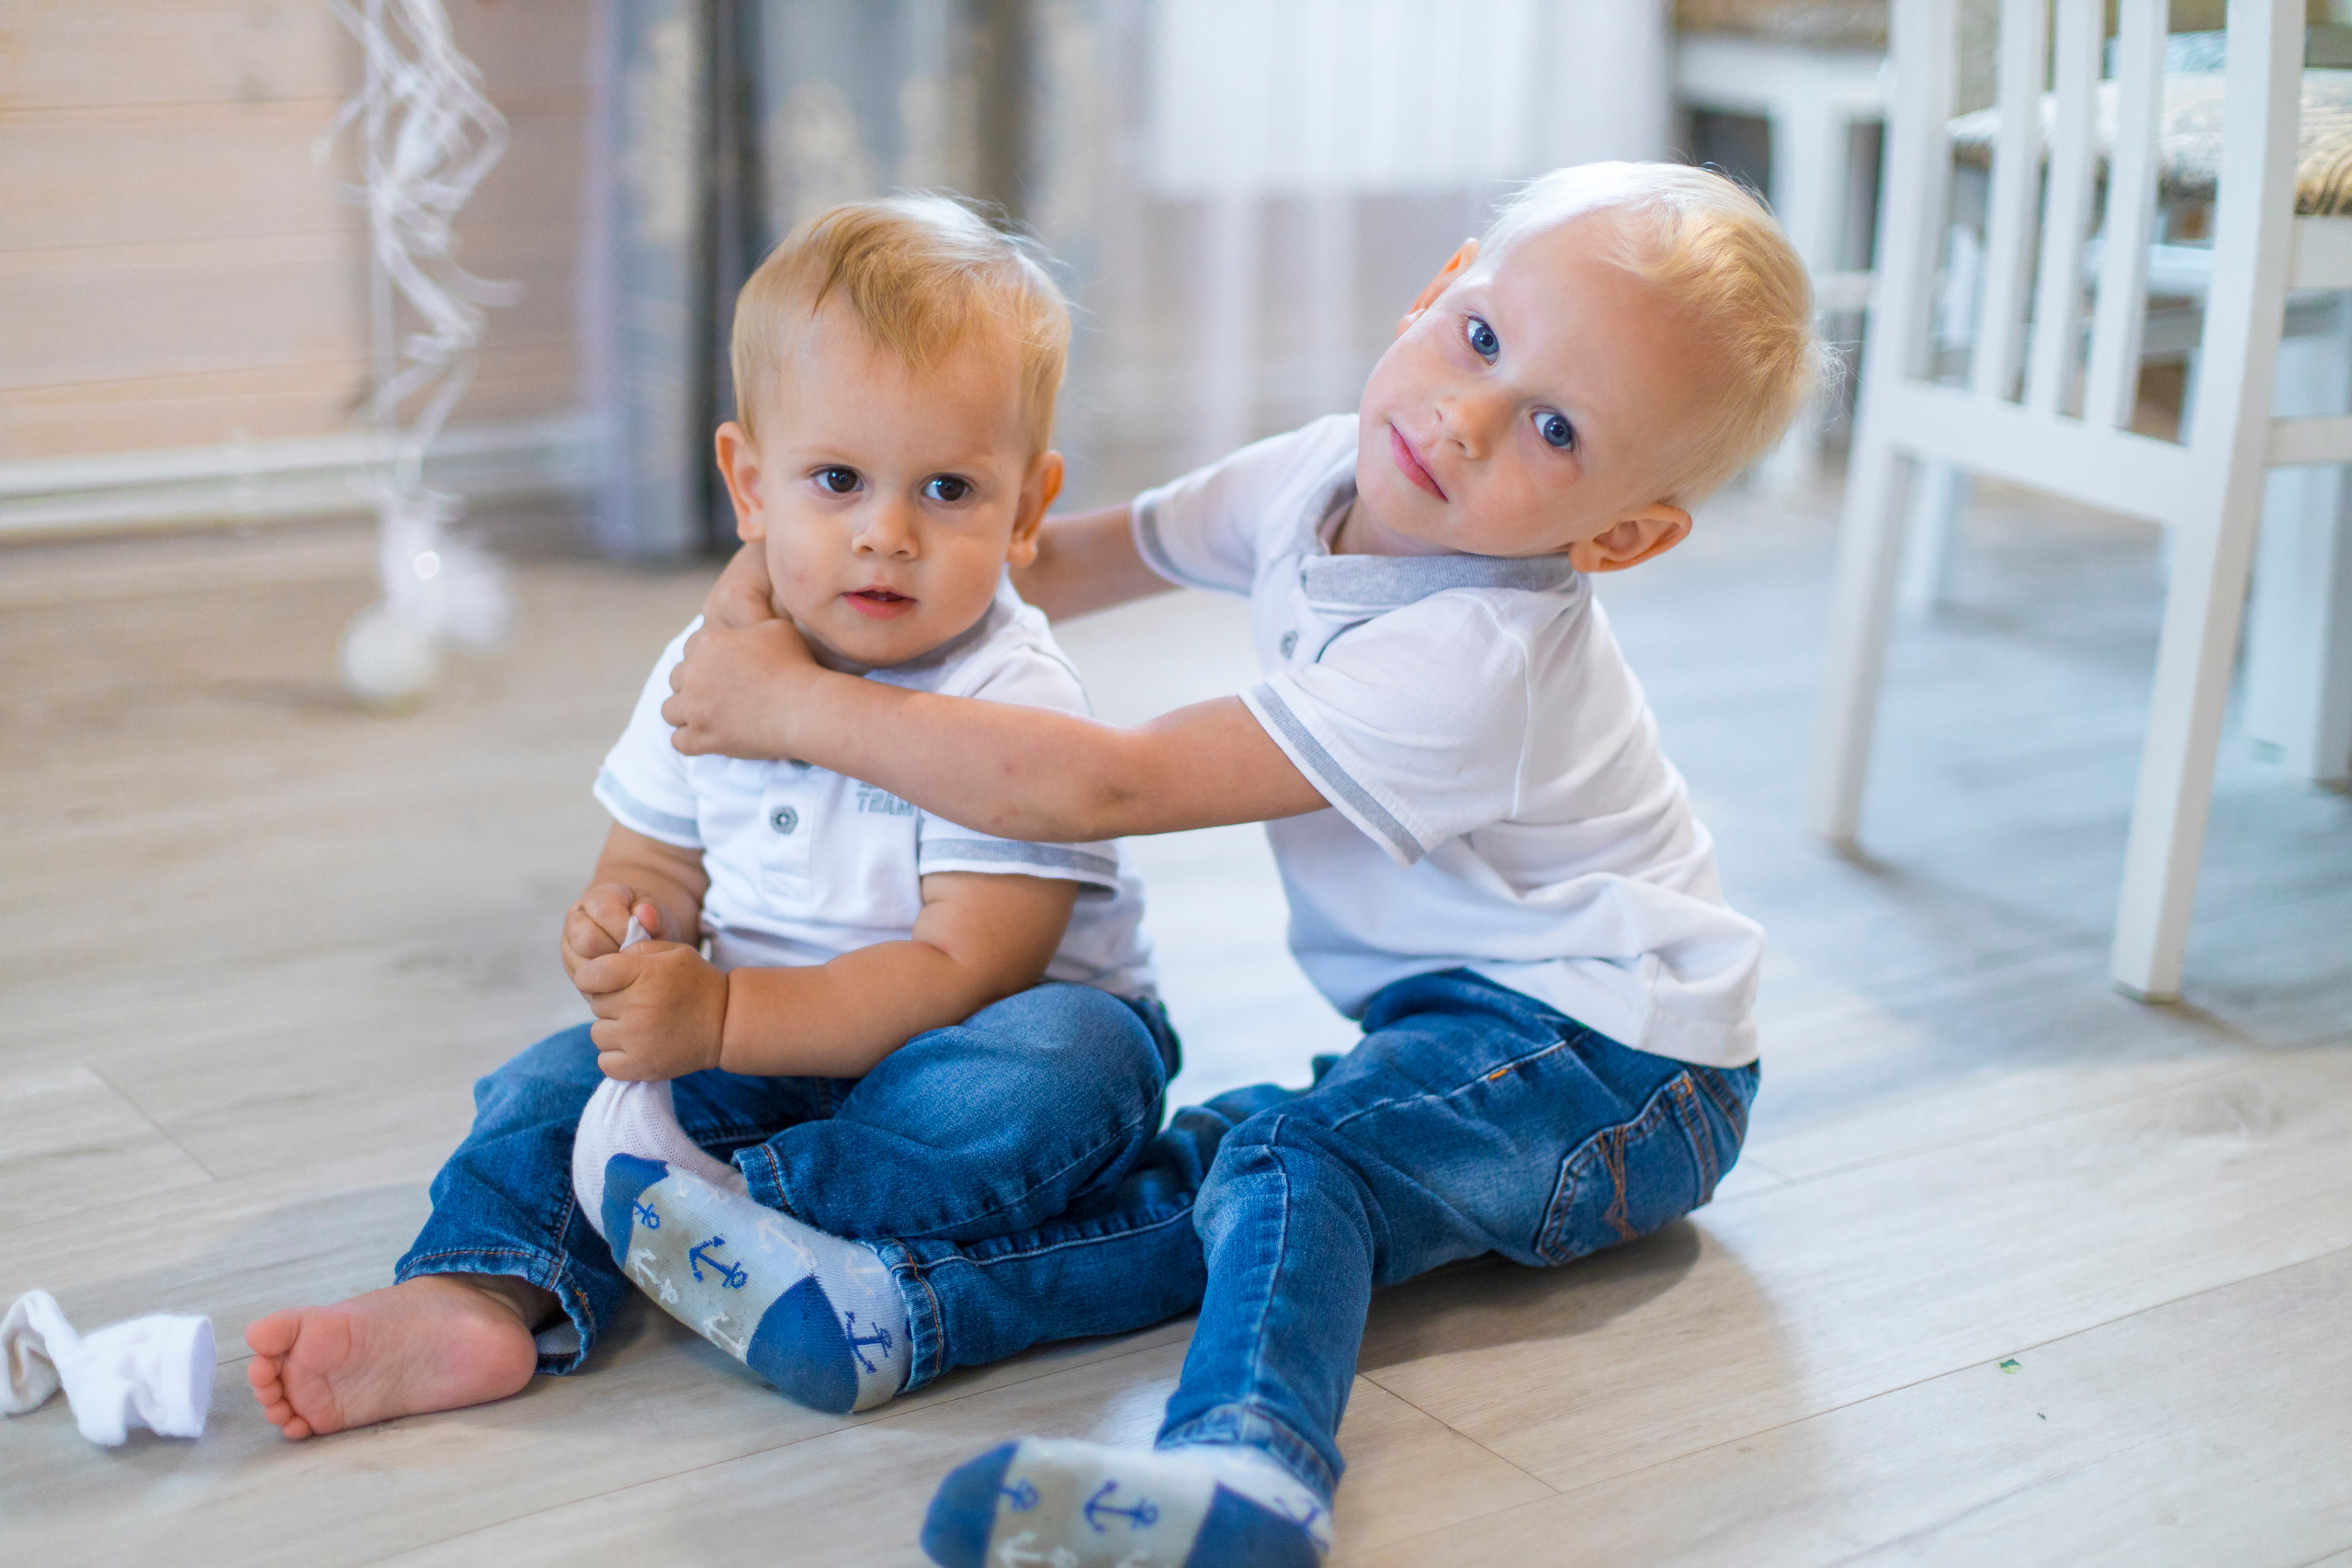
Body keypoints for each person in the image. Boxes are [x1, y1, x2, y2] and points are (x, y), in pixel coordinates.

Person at [662, 163, 1828, 1567]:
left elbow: (1108, 783)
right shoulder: (1321, 471)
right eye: (1480, 338)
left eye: (1556, 429)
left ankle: (1253, 1476)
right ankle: (897, 1314)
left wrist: (800, 707)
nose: (1464, 421)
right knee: (1221, 1171)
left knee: (1291, 1154)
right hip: (1464, 1024)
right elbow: (1051, 561)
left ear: (1622, 536)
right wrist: (820, 583)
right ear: (1436, 288)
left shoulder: (1478, 659)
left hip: (1626, 1065)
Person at [243, 196, 1167, 1438]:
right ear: (748, 483)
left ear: (1027, 508)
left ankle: (760, 1218)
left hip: (959, 1047)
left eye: (948, 488)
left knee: (1067, 1068)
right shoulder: (713, 668)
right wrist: (630, 926)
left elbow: (970, 968)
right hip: (757, 1042)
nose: (885, 534)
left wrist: (725, 1018)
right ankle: (476, 1294)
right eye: (836, 480)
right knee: (552, 1084)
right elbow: (655, 856)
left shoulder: (1013, 696)